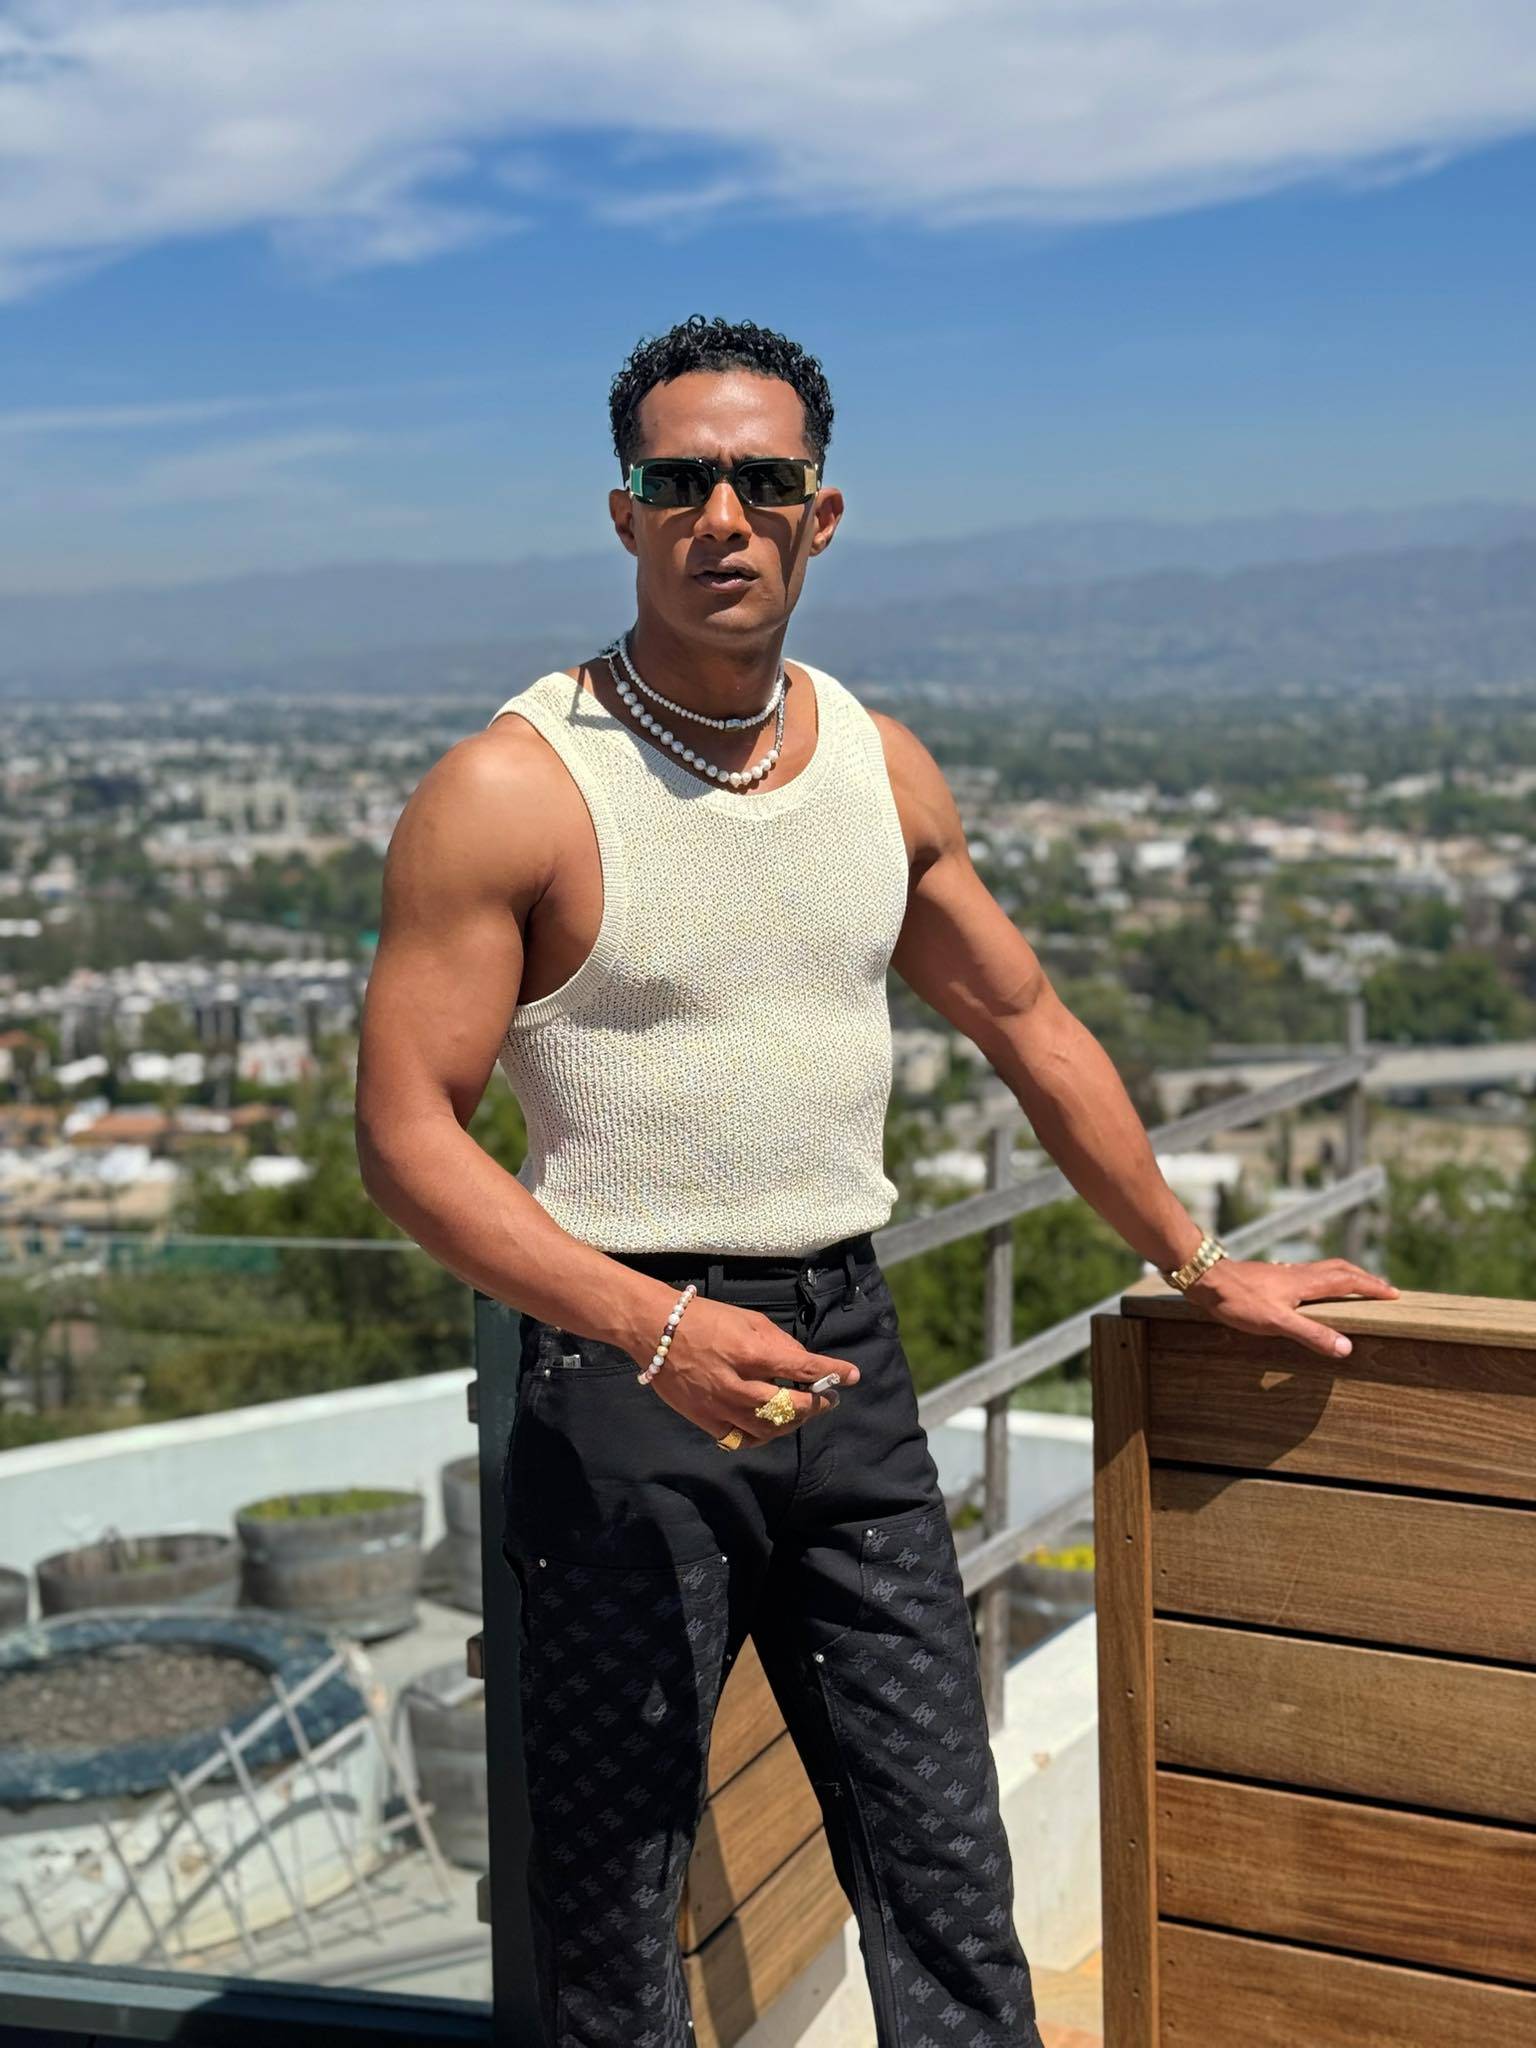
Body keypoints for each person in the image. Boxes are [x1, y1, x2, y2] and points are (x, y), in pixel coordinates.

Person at [355, 313, 1399, 2047]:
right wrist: (650, 1327)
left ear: (820, 515)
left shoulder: (877, 765)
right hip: (620, 1384)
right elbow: (405, 1134)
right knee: (613, 1916)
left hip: (849, 1358)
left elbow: (1024, 1019)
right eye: (679, 481)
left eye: (763, 481)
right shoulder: (511, 789)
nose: (723, 516)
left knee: (946, 1873)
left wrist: (1197, 1258)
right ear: (623, 513)